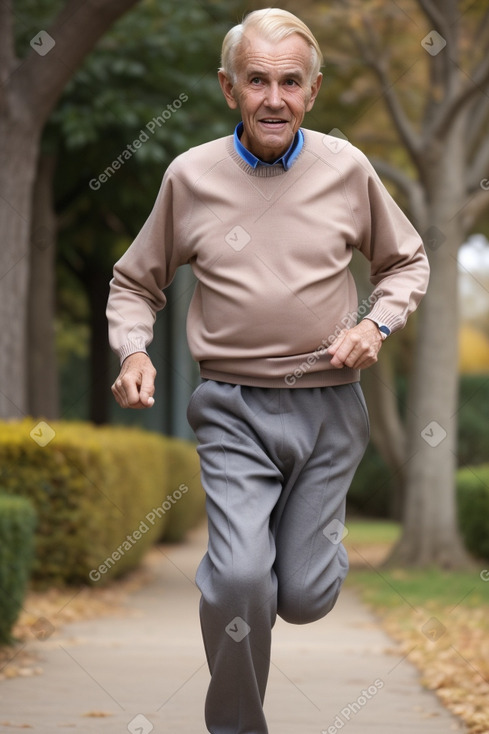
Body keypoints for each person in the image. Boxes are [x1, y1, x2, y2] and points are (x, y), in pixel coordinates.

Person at [107, 7, 429, 733]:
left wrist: (375, 323)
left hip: (329, 410)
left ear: (312, 91)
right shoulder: (190, 177)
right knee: (242, 579)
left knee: (305, 596)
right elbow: (134, 281)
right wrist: (133, 349)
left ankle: (284, 555)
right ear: (228, 88)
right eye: (257, 81)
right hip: (232, 408)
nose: (273, 98)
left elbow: (405, 260)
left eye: (290, 81)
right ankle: (236, 720)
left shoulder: (346, 169)